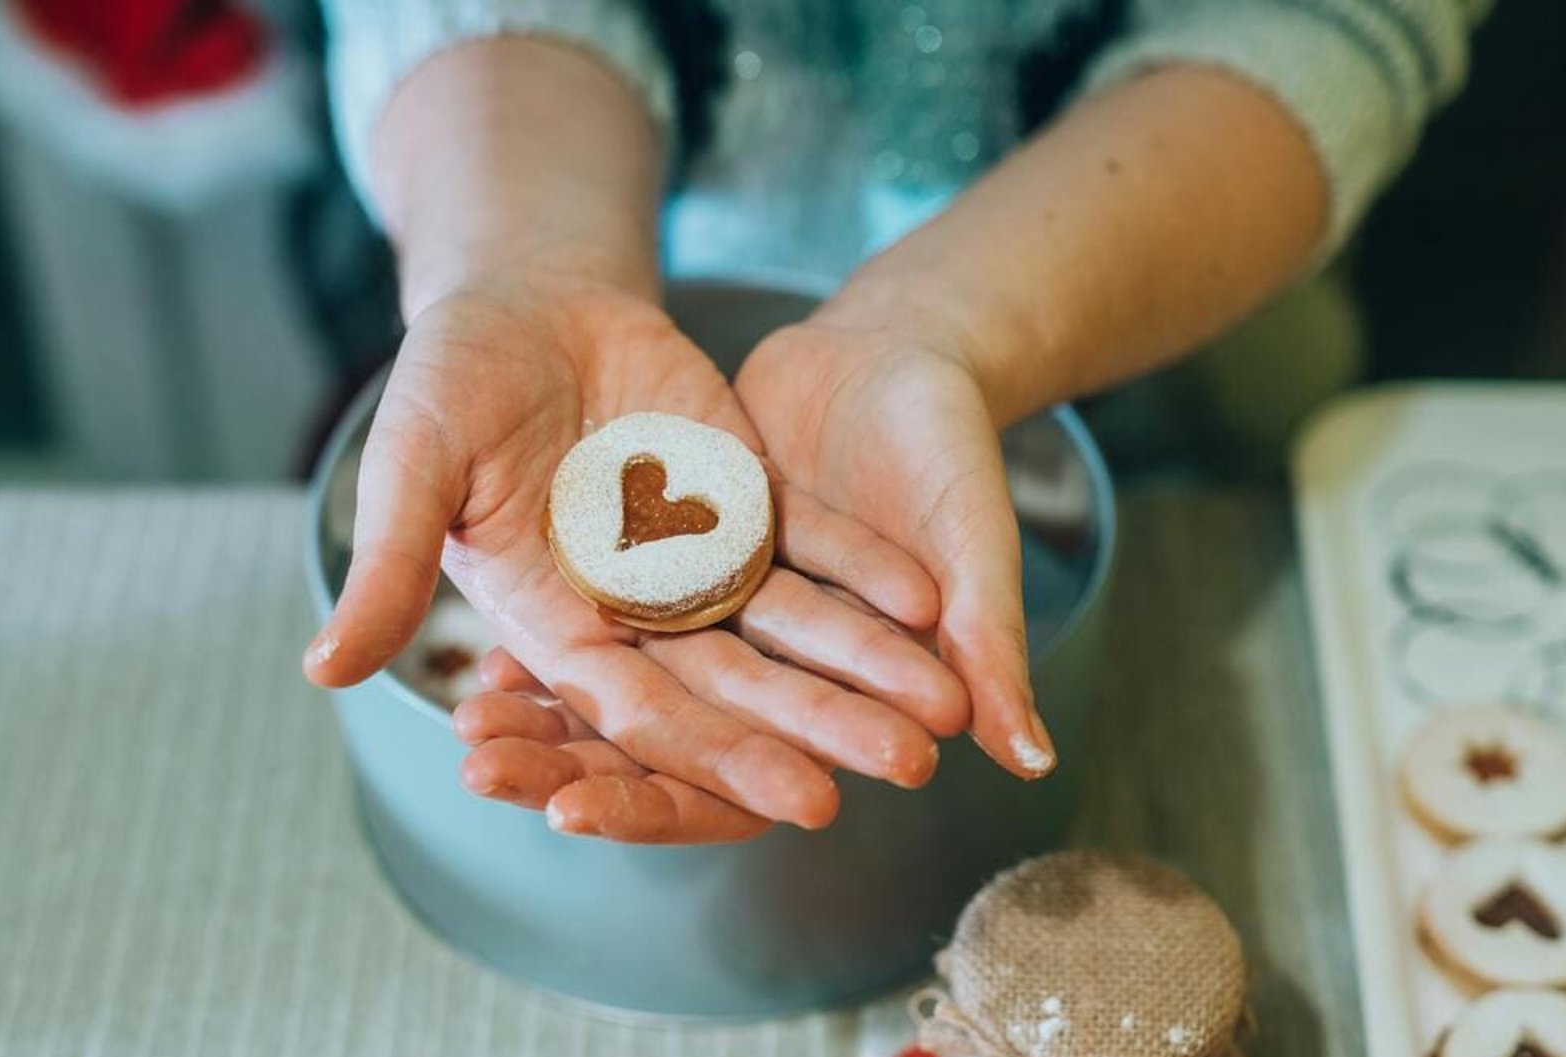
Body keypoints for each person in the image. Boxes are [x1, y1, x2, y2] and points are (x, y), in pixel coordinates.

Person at [304, 0, 1484, 843]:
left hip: (1166, 354)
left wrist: (938, 325)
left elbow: (1327, 24)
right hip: (608, 269)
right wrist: (522, 262)